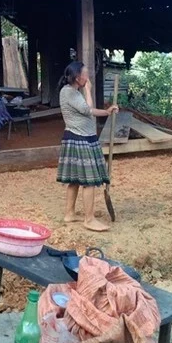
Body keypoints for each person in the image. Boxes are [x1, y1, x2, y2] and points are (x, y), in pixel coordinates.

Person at [56, 61, 118, 232]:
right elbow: (87, 109)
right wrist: (90, 92)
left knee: (75, 180)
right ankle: (89, 219)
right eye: (85, 73)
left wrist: (105, 110)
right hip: (80, 138)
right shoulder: (70, 93)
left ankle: (69, 214)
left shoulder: (72, 92)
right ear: (78, 78)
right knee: (88, 181)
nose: (88, 76)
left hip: (79, 137)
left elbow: (87, 110)